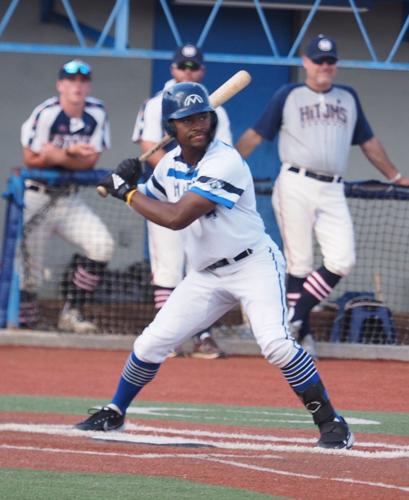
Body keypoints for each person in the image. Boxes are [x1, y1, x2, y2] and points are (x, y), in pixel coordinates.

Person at [75, 81, 354, 450]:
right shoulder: (169, 165)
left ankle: (332, 423)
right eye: (187, 119)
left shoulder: (225, 161)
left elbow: (176, 217)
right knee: (151, 343)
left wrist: (126, 192)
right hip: (205, 275)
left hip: (252, 264)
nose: (199, 125)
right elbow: (155, 201)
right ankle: (116, 410)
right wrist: (134, 180)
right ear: (170, 128)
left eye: (203, 116)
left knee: (276, 344)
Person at [235, 34, 409, 358]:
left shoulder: (348, 97)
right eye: (319, 60)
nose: (325, 66)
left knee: (342, 259)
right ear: (305, 62)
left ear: (336, 64)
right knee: (299, 262)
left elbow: (368, 142)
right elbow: (255, 134)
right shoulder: (288, 94)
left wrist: (396, 176)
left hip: (333, 186)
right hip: (296, 180)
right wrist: (227, 167)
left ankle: (294, 319)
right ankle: (301, 335)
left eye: (330, 61)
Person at [132, 43, 232, 359]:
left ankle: (202, 334)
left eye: (194, 67)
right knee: (167, 267)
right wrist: (174, 171)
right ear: (173, 69)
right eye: (183, 66)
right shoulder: (156, 104)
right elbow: (149, 144)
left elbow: (222, 152)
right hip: (164, 192)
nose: (188, 72)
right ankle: (167, 337)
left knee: (201, 268)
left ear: (201, 70)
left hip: (198, 198)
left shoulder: (216, 108)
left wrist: (195, 178)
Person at [19, 59, 114, 333]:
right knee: (29, 271)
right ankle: (23, 323)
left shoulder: (96, 112)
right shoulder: (47, 113)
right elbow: (31, 159)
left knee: (102, 246)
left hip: (68, 199)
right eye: (71, 80)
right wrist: (72, 154)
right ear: (60, 84)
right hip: (37, 197)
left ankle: (71, 312)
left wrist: (59, 155)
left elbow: (90, 163)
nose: (77, 86)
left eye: (83, 81)